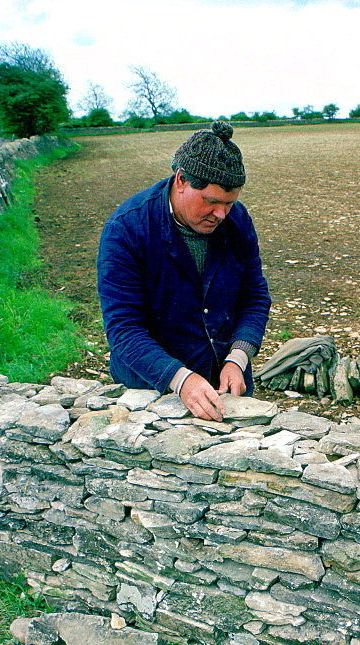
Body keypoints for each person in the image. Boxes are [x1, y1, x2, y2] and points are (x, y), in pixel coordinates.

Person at [97, 121, 271, 421]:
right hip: (153, 392)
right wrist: (181, 379)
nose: (221, 214)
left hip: (225, 387)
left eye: (230, 203)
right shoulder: (127, 229)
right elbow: (123, 330)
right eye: (211, 201)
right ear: (181, 181)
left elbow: (254, 296)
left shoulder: (237, 220)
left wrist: (237, 359)